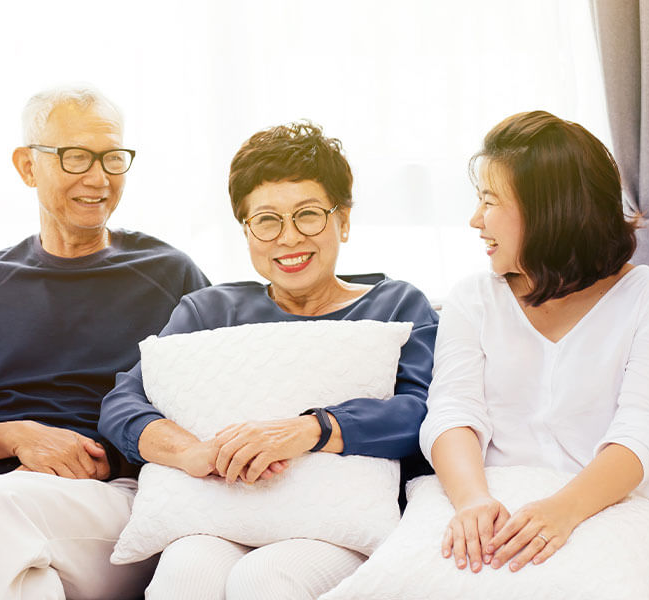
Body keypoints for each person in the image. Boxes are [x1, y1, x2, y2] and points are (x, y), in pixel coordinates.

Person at [98, 121, 439, 599]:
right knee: (185, 577)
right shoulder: (209, 311)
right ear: (245, 229)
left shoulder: (396, 305)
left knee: (265, 581)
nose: (289, 238)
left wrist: (306, 430)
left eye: (308, 215)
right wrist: (192, 453)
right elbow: (121, 405)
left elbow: (425, 413)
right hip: (219, 518)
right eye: (267, 220)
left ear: (343, 220)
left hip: (336, 528)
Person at [0, 84, 210, 599]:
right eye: (76, 158)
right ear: (28, 166)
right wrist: (20, 436)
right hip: (5, 488)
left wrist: (118, 458)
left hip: (119, 504)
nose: (98, 179)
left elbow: (217, 403)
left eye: (112, 158)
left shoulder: (169, 273)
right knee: (30, 586)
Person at [420, 111, 649, 575]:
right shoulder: (474, 297)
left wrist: (561, 512)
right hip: (485, 502)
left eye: (489, 201)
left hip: (605, 508)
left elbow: (644, 431)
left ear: (548, 211)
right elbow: (452, 411)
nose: (474, 220)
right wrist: (473, 502)